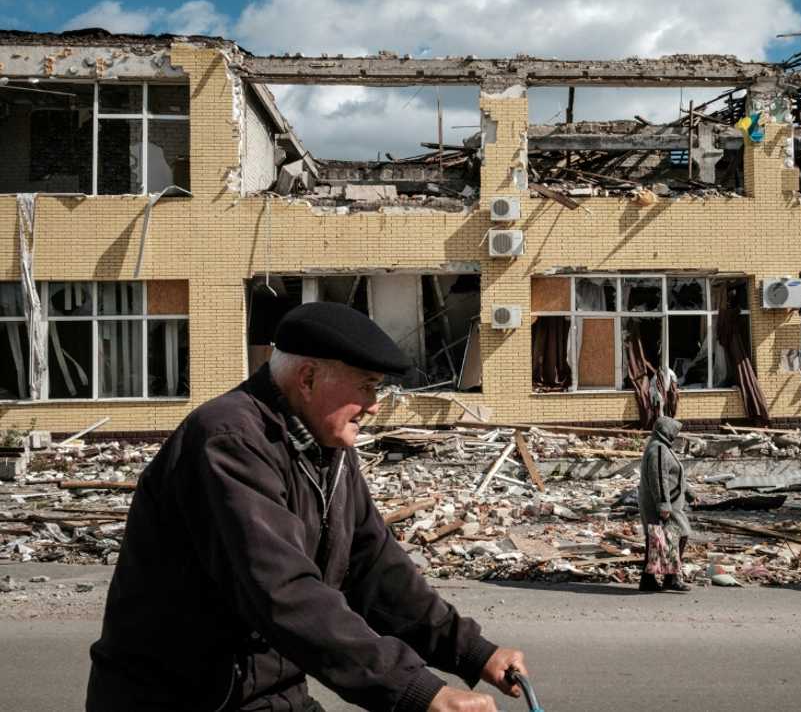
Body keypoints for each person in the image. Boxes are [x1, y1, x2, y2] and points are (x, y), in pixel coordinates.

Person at [87, 302, 526, 712]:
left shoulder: (325, 446)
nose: (374, 405)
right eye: (367, 386)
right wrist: (418, 691)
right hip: (180, 697)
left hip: (266, 693)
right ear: (309, 378)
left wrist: (472, 652)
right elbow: (284, 591)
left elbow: (374, 565)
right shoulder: (229, 441)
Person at [638, 415, 692, 592]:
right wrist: (663, 506)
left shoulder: (661, 447)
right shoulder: (659, 450)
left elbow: (674, 475)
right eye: (675, 432)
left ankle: (649, 579)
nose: (676, 436)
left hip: (670, 501)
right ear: (667, 432)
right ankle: (671, 578)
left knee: (657, 540)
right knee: (678, 535)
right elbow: (659, 479)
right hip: (663, 503)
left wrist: (690, 492)